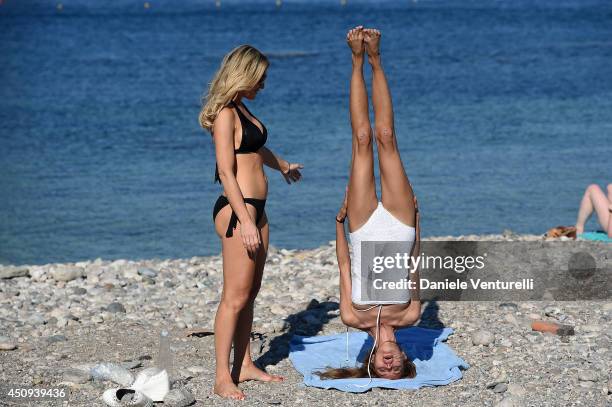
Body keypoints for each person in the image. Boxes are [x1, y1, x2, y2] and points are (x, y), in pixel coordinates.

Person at [199, 44, 304, 400]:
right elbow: (227, 173)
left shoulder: (243, 110)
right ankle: (221, 377)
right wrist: (244, 220)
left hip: (257, 211)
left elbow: (256, 151)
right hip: (237, 212)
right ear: (244, 74)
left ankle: (243, 364)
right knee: (234, 297)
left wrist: (284, 165)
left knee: (251, 294)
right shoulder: (226, 115)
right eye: (260, 77)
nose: (263, 84)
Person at [318, 27, 422, 380]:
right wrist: (418, 219)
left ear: (371, 362)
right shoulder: (410, 316)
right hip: (400, 226)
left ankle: (356, 59)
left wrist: (338, 220)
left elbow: (344, 265)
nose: (389, 364)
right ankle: (376, 60)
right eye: (397, 368)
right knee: (386, 138)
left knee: (362, 139)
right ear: (406, 358)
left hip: (361, 231)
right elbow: (414, 262)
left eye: (382, 369)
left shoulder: (353, 317)